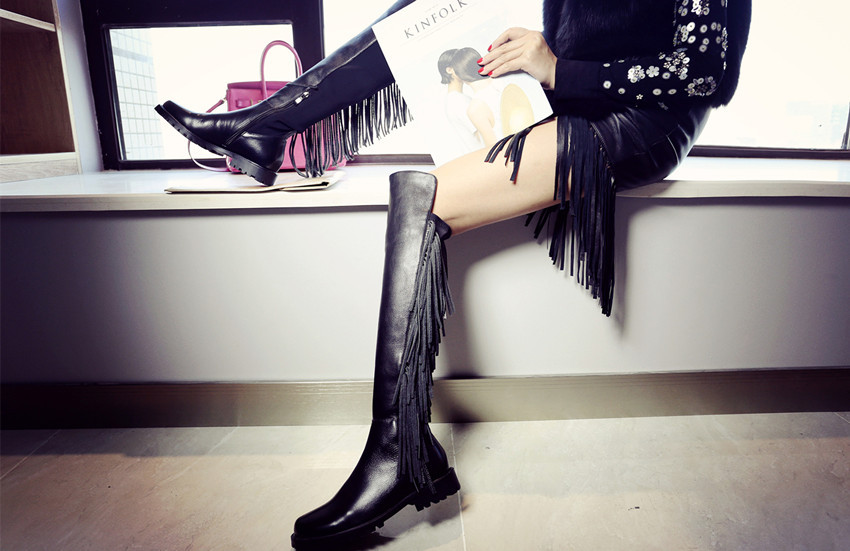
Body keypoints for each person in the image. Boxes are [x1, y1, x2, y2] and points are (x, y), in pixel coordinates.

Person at [155, 0, 751, 548]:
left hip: (641, 120)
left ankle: (400, 454)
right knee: (427, 9)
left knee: (424, 196)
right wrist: (534, 55)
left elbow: (704, 72)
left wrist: (557, 70)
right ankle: (269, 122)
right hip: (570, 97)